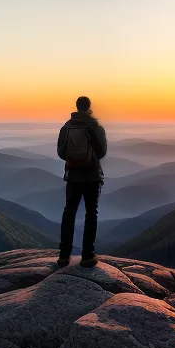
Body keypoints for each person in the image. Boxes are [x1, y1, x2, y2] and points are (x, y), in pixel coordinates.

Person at [55, 95, 107, 268]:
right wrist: (88, 158)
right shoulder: (95, 127)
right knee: (91, 213)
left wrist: (74, 159)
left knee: (69, 212)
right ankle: (87, 256)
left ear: (76, 107)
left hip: (73, 176)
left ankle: (63, 256)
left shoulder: (67, 127)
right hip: (91, 176)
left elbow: (61, 152)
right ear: (89, 107)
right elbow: (102, 152)